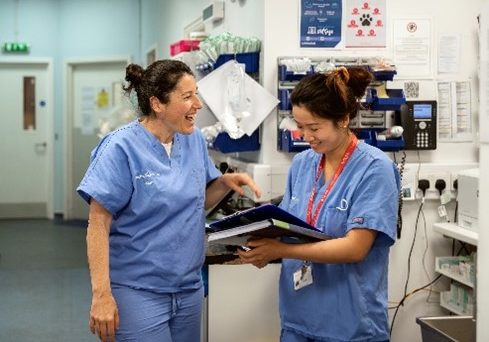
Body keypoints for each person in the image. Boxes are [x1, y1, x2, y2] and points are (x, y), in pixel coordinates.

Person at [77, 59, 261, 342]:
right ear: (157, 104)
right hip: (138, 290)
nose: (198, 104)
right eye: (187, 97)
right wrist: (101, 295)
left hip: (188, 288)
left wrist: (224, 184)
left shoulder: (193, 140)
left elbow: (195, 201)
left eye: (196, 93)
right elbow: (98, 224)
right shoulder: (120, 148)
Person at [238, 67, 399, 342]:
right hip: (298, 318)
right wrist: (257, 244)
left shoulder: (374, 169)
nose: (305, 135)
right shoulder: (303, 164)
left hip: (350, 324)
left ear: (344, 119)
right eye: (300, 126)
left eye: (314, 127)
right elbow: (288, 227)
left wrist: (281, 249)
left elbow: (355, 248)